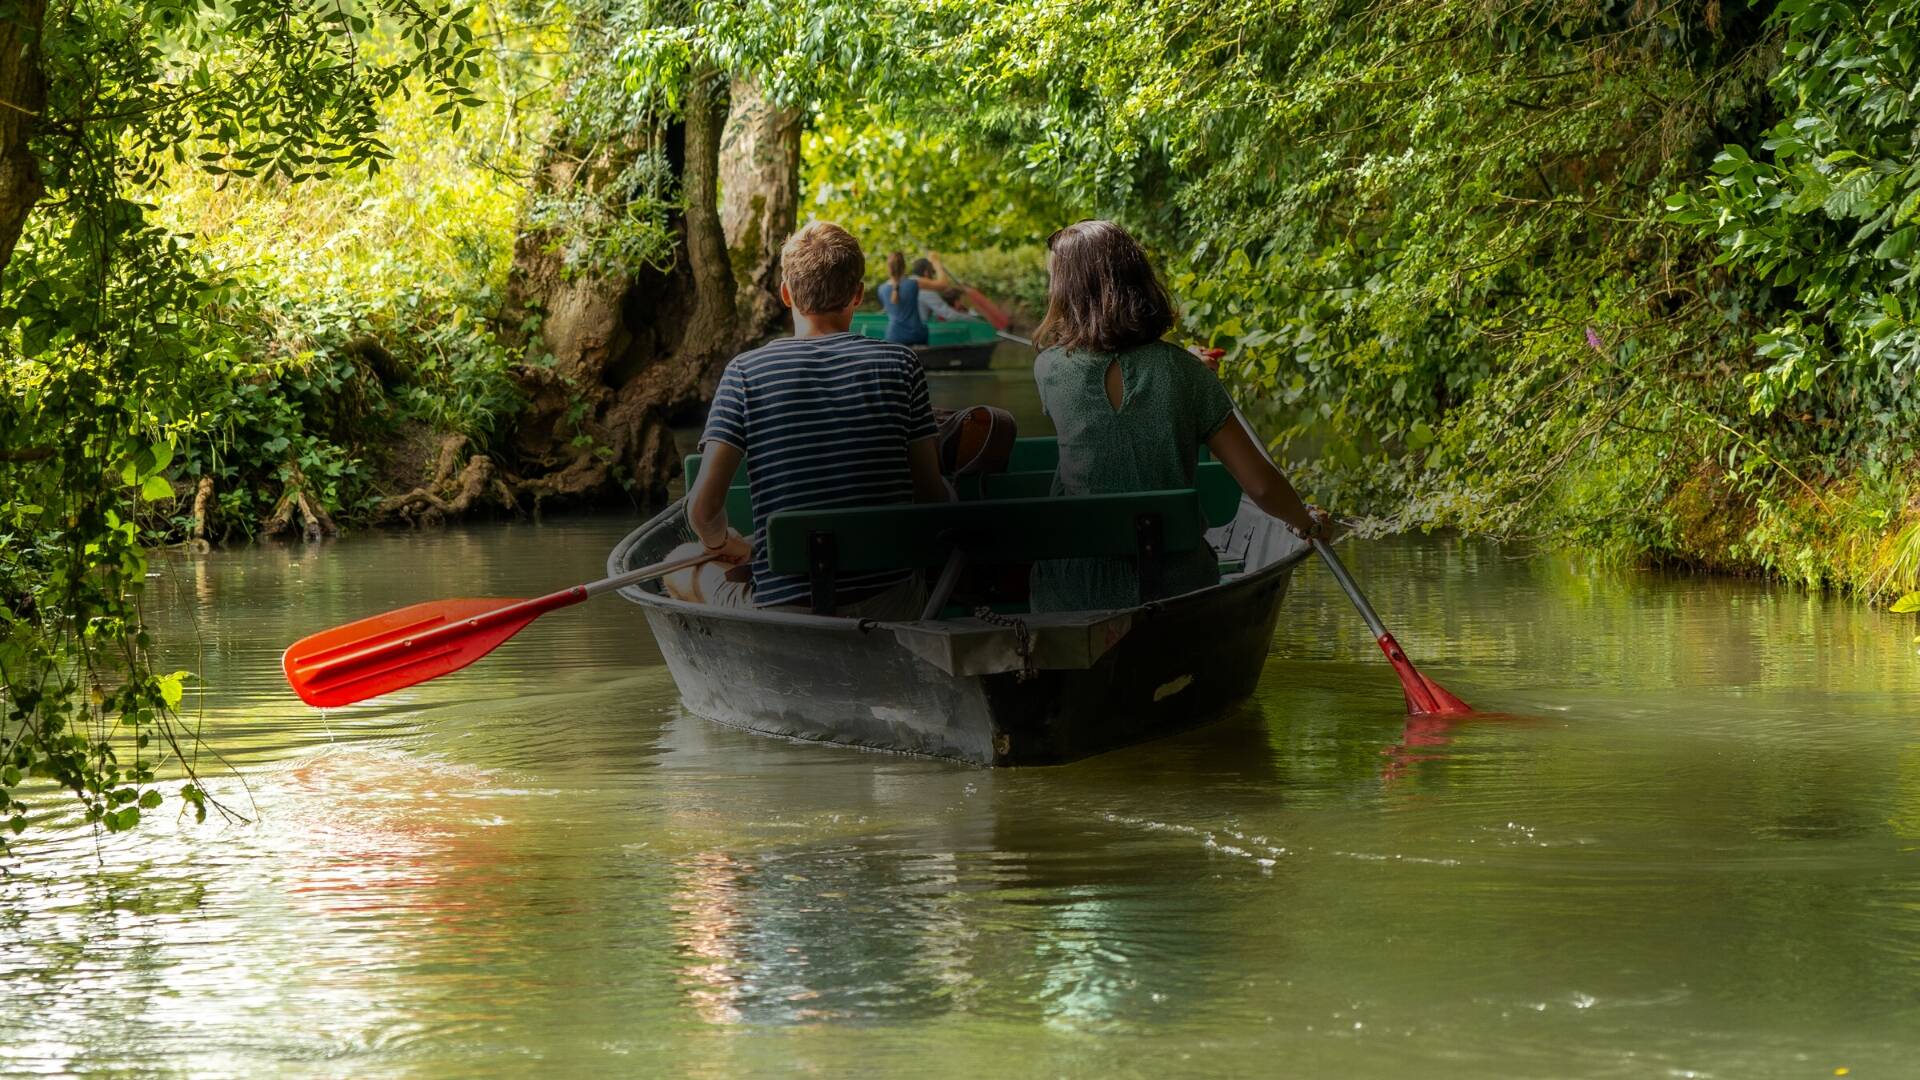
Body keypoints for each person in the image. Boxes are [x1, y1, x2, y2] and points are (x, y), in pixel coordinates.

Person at [1028, 219, 1328, 613]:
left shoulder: (1048, 369)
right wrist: (1305, 523)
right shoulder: (1186, 376)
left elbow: (1115, 381)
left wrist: (1182, 368)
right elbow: (1260, 485)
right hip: (1177, 587)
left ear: (1070, 293)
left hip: (1073, 590)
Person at [668, 222, 950, 618]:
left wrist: (721, 544)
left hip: (787, 606)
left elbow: (702, 510)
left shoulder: (745, 373)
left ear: (786, 294)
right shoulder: (901, 364)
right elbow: (931, 497)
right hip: (890, 601)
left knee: (682, 564)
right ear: (857, 294)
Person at [877, 250, 952, 344]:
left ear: (888, 268)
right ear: (904, 267)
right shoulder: (913, 283)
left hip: (893, 337)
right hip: (916, 336)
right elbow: (943, 285)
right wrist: (936, 262)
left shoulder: (881, 289)